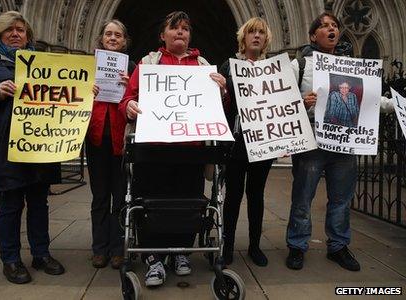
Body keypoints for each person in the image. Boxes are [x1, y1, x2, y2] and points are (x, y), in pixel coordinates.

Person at [118, 11, 227, 287]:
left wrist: (222, 93)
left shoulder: (203, 67)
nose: (181, 32)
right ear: (162, 35)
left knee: (188, 203)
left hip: (191, 151)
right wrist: (129, 106)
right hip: (153, 149)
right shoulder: (147, 64)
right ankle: (153, 258)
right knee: (151, 203)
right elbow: (127, 99)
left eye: (185, 28)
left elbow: (218, 111)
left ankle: (181, 252)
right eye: (174, 28)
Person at [0, 11, 65, 284]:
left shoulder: (45, 64)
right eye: (10, 30)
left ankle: (41, 254)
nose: (16, 34)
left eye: (21, 30)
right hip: (8, 148)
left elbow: (65, 94)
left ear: (29, 35)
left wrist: (87, 92)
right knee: (11, 205)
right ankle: (11, 260)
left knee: (39, 204)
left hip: (40, 146)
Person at [286, 12, 361, 272]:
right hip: (312, 143)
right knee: (303, 197)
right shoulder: (301, 65)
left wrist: (395, 105)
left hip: (344, 144)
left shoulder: (352, 66)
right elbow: (281, 99)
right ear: (313, 35)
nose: (331, 29)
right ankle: (297, 246)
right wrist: (301, 102)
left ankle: (338, 246)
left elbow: (370, 102)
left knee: (341, 199)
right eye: (324, 26)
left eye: (334, 26)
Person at [218, 17, 273, 267]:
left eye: (261, 32)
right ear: (243, 37)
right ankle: (227, 245)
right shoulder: (228, 67)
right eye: (252, 32)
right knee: (233, 196)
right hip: (236, 141)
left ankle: (254, 246)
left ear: (266, 39)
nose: (257, 36)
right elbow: (220, 105)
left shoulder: (274, 68)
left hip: (263, 141)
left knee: (256, 194)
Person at [86, 19, 136, 270]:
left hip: (121, 140)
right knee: (100, 196)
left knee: (121, 196)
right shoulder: (88, 66)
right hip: (96, 140)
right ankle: (99, 249)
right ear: (102, 38)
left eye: (118, 34)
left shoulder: (133, 68)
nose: (113, 38)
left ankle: (118, 249)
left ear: (124, 40)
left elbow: (142, 101)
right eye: (108, 34)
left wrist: (131, 88)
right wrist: (86, 90)